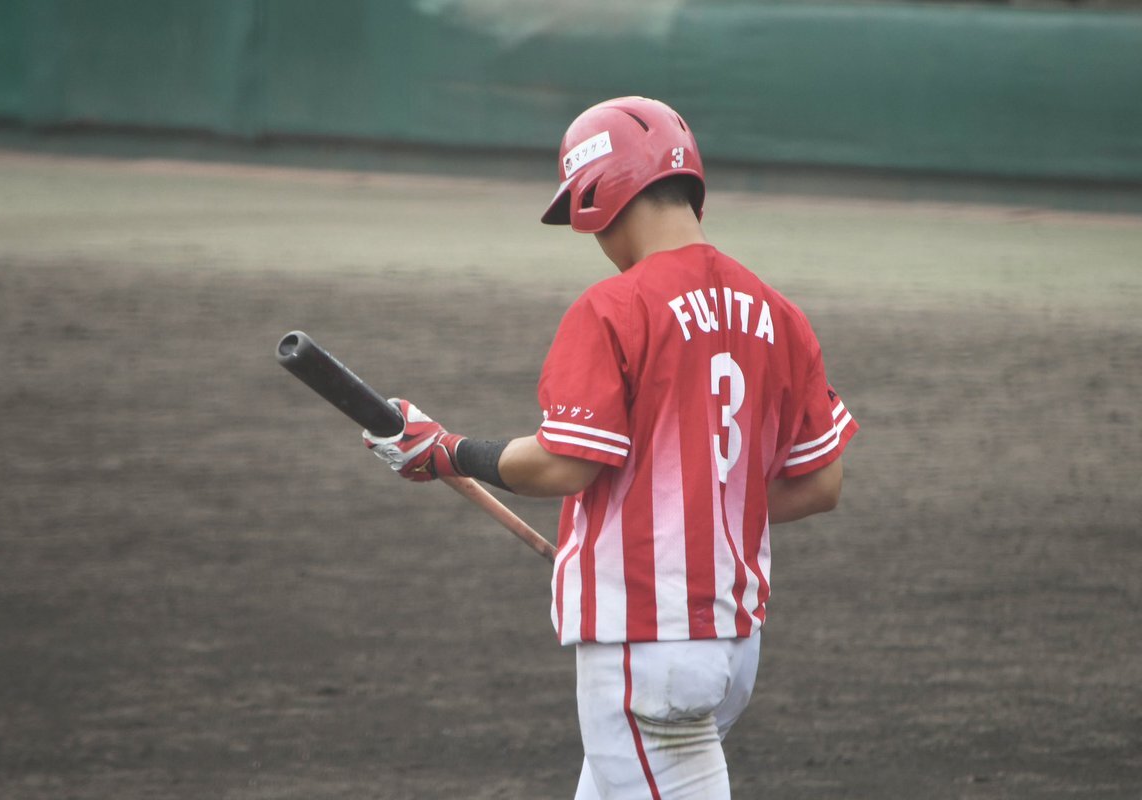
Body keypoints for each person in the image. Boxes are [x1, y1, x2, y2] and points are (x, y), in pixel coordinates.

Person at [363, 96, 859, 799]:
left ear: (601, 196)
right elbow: (821, 483)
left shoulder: (614, 309)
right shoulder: (779, 313)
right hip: (732, 646)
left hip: (647, 646)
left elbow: (565, 463)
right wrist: (695, 509)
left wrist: (446, 451)